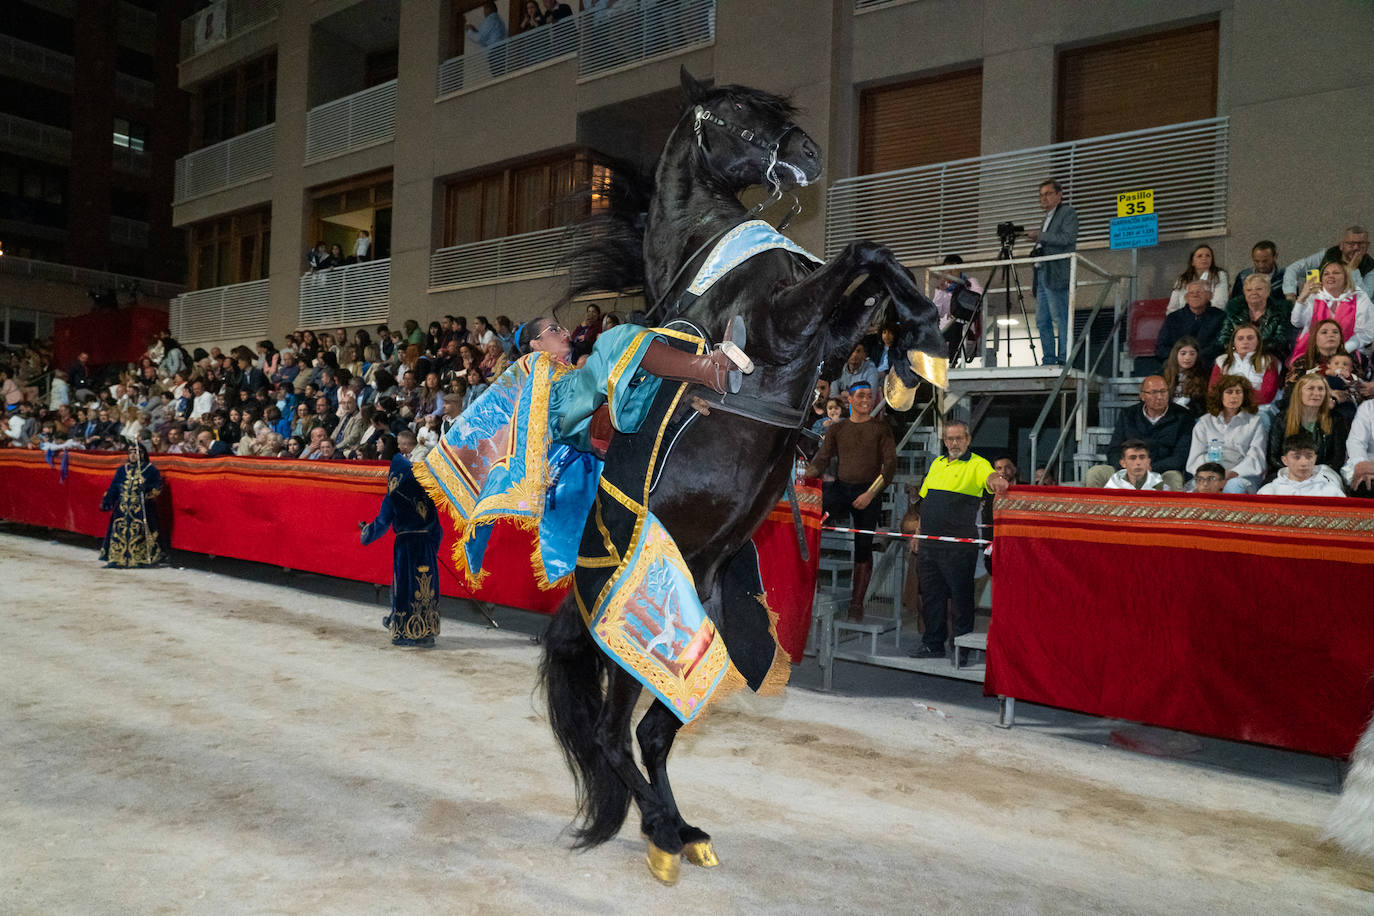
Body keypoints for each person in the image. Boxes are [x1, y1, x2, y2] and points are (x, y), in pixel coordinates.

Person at [907, 420, 1007, 661]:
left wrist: (997, 480)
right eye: (950, 439)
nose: (954, 443)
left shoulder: (978, 464)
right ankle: (933, 644)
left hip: (959, 544)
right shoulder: (937, 464)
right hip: (930, 543)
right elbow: (925, 502)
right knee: (932, 596)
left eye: (959, 438)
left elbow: (991, 478)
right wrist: (919, 532)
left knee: (961, 599)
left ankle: (961, 648)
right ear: (944, 441)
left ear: (968, 440)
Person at [804, 381, 896, 622]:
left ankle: (856, 604)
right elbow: (822, 460)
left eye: (869, 395)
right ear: (850, 400)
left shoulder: (881, 428)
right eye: (860, 396)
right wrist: (803, 477)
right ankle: (813, 586)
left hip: (869, 491)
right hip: (841, 488)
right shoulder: (837, 429)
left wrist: (870, 495)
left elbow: (890, 467)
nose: (866, 400)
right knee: (808, 521)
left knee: (863, 546)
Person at [360, 454, 444, 647]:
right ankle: (426, 633)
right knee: (426, 589)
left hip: (406, 546)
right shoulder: (427, 494)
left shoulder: (394, 495)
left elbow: (381, 523)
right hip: (427, 546)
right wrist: (432, 547)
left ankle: (404, 632)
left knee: (404, 587)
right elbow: (438, 529)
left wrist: (365, 534)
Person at [1085, 376, 1194, 491]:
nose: (1159, 397)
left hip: (1161, 471)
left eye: (1163, 391)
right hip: (1127, 470)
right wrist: (1127, 467)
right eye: (1153, 392)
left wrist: (1149, 467)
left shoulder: (1183, 417)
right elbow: (1114, 449)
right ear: (1142, 396)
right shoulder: (1128, 415)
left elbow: (1181, 456)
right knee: (1096, 473)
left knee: (1174, 477)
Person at [1026, 178, 1078, 366]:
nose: (1043, 198)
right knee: (1042, 320)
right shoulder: (1046, 219)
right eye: (1041, 195)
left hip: (1056, 274)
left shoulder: (1067, 213)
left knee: (1060, 317)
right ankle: (1048, 359)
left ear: (1059, 194)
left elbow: (1067, 238)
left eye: (1048, 194)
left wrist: (1040, 236)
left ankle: (1064, 358)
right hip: (1042, 274)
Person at [1186, 375, 1267, 493]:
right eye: (1229, 392)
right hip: (1208, 473)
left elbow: (1256, 457)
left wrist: (1231, 474)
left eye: (1238, 392)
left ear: (1244, 396)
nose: (1234, 396)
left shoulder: (1255, 423)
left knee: (1233, 486)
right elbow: (1196, 456)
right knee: (1192, 489)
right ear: (1220, 395)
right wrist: (1210, 475)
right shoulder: (1205, 422)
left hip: (1241, 475)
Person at [1266, 374, 1346, 480]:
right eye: (1310, 388)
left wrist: (1312, 472)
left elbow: (1337, 459)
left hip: (1323, 474)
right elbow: (1273, 456)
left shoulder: (1336, 420)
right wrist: (1296, 471)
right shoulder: (1282, 419)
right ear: (1299, 392)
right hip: (1288, 472)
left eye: (1321, 389)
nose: (1316, 393)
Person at [98, 440, 163, 568]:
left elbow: (158, 486)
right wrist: (107, 501)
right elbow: (114, 487)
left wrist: (147, 488)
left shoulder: (150, 470)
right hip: (122, 508)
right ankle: (118, 559)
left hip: (141, 507)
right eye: (131, 453)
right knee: (119, 532)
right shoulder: (122, 469)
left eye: (137, 453)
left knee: (140, 532)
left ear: (143, 454)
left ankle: (141, 559)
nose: (133, 455)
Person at [1290, 259, 1373, 359]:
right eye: (1326, 274)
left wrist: (1343, 350)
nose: (1330, 276)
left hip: (1348, 353)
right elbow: (1297, 322)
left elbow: (1367, 332)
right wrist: (1302, 297)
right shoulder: (1314, 296)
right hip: (1313, 352)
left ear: (1346, 277)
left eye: (1336, 273)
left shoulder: (1359, 297)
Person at [1218, 273, 1294, 365]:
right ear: (1244, 292)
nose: (1253, 292)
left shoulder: (1281, 311)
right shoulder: (1234, 311)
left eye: (1259, 289)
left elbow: (1281, 341)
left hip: (1270, 356)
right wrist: (1238, 350)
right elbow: (1225, 338)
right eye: (1249, 290)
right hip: (1239, 355)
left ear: (1268, 291)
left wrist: (1254, 349)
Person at [1282, 225, 1373, 300]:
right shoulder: (1327, 255)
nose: (1356, 248)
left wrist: (1353, 270)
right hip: (1318, 307)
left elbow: (1365, 298)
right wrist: (1290, 294)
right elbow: (1293, 268)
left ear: (1367, 246)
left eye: (1361, 244)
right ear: (1341, 245)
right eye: (1351, 244)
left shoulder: (1371, 268)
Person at [1155, 280, 1226, 368]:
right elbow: (1161, 347)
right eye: (1191, 293)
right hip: (1177, 365)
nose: (1195, 295)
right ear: (1186, 298)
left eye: (1199, 292)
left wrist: (1195, 357)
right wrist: (1183, 357)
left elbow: (1220, 346)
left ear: (1209, 296)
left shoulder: (1220, 317)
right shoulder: (1173, 318)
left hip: (1206, 364)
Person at [1210, 323, 1279, 406]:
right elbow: (1213, 391)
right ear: (1233, 343)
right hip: (1226, 407)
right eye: (1240, 338)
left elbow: (1266, 396)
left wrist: (1234, 397)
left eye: (1250, 338)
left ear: (1258, 342)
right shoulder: (1222, 361)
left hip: (1259, 408)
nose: (1245, 342)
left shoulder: (1269, 361)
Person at [1258, 433, 1346, 497]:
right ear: (1285, 460)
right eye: (1296, 457)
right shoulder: (1269, 493)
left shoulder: (1331, 492)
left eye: (1309, 456)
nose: (1304, 463)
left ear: (1315, 458)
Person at [1165, 244, 1228, 313]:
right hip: (1183, 319)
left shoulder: (1219, 275)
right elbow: (1172, 307)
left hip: (1210, 317)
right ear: (1192, 262)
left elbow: (1220, 304)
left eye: (1208, 256)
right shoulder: (1182, 279)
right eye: (1199, 256)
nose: (1204, 258)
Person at [1161, 336, 1208, 416]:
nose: (1187, 358)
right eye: (1183, 353)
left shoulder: (1203, 376)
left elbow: (1202, 407)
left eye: (1192, 354)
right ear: (1176, 354)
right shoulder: (1162, 375)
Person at [1103, 439, 1170, 491]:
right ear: (1123, 463)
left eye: (1142, 457)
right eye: (1132, 458)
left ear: (1148, 462)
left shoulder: (1158, 483)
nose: (1138, 462)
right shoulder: (1114, 482)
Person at [1341, 398, 1374, 497]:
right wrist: (1361, 464)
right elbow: (1356, 441)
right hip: (1368, 463)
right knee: (1364, 483)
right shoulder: (1368, 407)